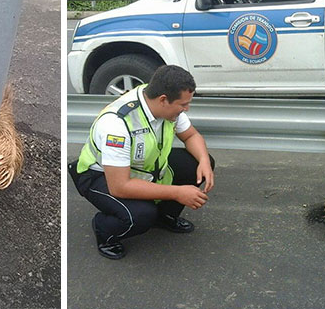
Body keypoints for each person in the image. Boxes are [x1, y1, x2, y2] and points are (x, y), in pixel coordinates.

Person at [68, 65, 215, 260]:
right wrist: (178, 193)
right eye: (183, 105)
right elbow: (120, 186)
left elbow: (191, 136)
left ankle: (164, 216)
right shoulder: (117, 125)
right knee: (141, 214)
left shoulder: (160, 100)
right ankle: (105, 231)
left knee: (196, 164)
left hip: (142, 168)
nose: (186, 108)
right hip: (100, 176)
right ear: (163, 100)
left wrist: (204, 160)